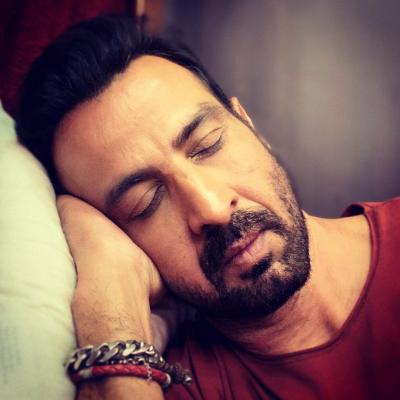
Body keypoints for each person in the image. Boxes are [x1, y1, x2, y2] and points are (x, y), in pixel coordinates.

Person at [15, 15, 399, 400]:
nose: (212, 208)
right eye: (146, 202)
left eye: (208, 144)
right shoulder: (176, 386)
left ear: (247, 124)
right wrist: (110, 288)